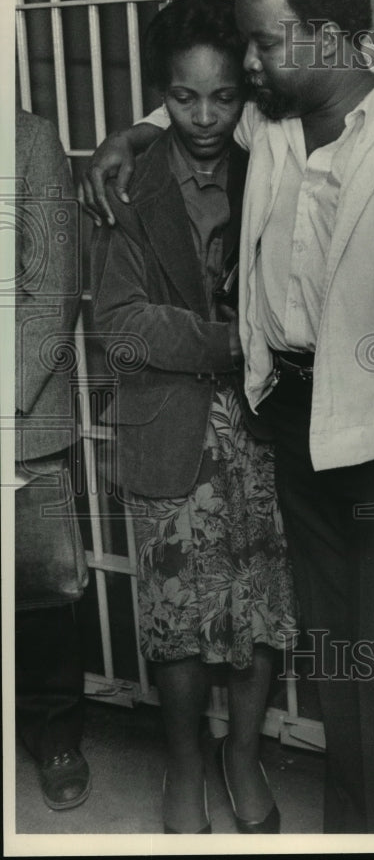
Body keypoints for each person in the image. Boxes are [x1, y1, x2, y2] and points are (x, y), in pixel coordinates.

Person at [79, 0, 374, 834]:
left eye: (263, 43)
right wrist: (124, 138)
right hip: (293, 423)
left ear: (327, 38)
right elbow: (187, 121)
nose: (247, 64)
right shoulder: (269, 125)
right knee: (339, 660)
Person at [89, 0, 297, 835]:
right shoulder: (124, 183)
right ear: (157, 95)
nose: (205, 116)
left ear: (246, 88)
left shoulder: (274, 163)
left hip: (267, 426)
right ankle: (183, 768)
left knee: (262, 608)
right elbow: (120, 322)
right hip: (168, 426)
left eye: (223, 96)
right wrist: (237, 340)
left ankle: (241, 758)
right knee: (175, 618)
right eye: (183, 97)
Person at [15, 108, 91, 810]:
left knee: (39, 592)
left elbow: (52, 288)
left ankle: (55, 733)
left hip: (21, 407)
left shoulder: (28, 138)